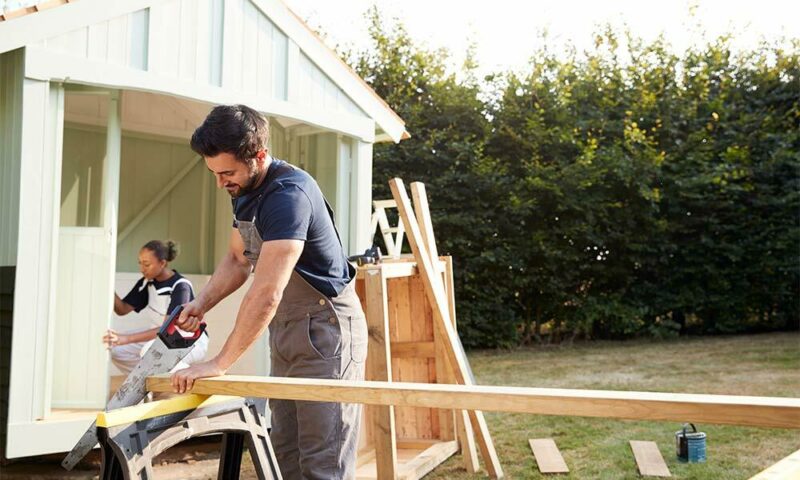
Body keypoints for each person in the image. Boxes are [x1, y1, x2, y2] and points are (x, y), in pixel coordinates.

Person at [170, 104, 367, 480]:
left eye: (226, 172)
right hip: (287, 331)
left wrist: (220, 362)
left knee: (323, 464)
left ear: (259, 156)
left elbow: (266, 293)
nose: (220, 182)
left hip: (327, 332)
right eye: (214, 173)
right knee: (285, 457)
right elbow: (237, 257)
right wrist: (201, 303)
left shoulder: (289, 196)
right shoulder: (244, 188)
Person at [104, 240, 208, 374]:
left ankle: (192, 376)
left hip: (188, 340)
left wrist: (125, 339)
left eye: (146, 264)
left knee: (148, 351)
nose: (142, 268)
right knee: (114, 348)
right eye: (140, 263)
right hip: (159, 337)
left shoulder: (181, 286)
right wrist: (106, 283)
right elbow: (122, 309)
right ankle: (146, 381)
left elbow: (167, 329)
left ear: (163, 263)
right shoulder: (147, 282)